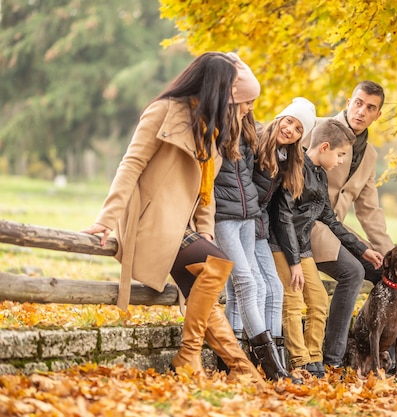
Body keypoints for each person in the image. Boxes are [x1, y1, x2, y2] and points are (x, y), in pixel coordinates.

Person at [80, 52, 263, 382]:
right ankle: (190, 356)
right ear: (216, 85)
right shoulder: (163, 111)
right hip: (151, 219)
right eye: (233, 86)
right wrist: (107, 218)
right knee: (218, 266)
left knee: (203, 294)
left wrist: (205, 230)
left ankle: (239, 368)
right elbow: (131, 165)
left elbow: (203, 189)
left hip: (183, 225)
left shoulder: (209, 124)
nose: (237, 96)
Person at [269, 119, 384, 378]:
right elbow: (283, 217)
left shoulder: (320, 175)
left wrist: (362, 249)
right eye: (340, 154)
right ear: (324, 147)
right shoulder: (295, 169)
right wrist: (294, 262)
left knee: (319, 299)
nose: (342, 161)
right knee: (294, 300)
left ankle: (314, 360)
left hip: (302, 247)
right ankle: (299, 362)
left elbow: (329, 219)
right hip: (282, 246)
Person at [212, 53, 301, 384]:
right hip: (223, 216)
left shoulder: (247, 129)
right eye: (247, 101)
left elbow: (249, 179)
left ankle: (240, 362)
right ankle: (270, 367)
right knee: (248, 284)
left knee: (250, 288)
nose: (250, 107)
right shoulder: (215, 127)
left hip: (248, 218)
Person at [301, 81, 395, 370]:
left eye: (370, 107)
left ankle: (369, 348)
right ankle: (334, 359)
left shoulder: (370, 156)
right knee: (352, 272)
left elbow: (369, 209)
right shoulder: (317, 127)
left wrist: (388, 253)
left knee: (383, 274)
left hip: (336, 229)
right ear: (348, 100)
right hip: (308, 224)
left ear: (377, 115)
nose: (361, 111)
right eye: (358, 102)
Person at [251, 97, 317, 366]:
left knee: (273, 291)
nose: (291, 129)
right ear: (280, 117)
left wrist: (294, 262)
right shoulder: (254, 141)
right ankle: (249, 356)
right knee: (251, 286)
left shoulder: (287, 162)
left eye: (299, 129)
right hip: (234, 221)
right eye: (289, 121)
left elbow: (280, 213)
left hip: (259, 229)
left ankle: (274, 359)